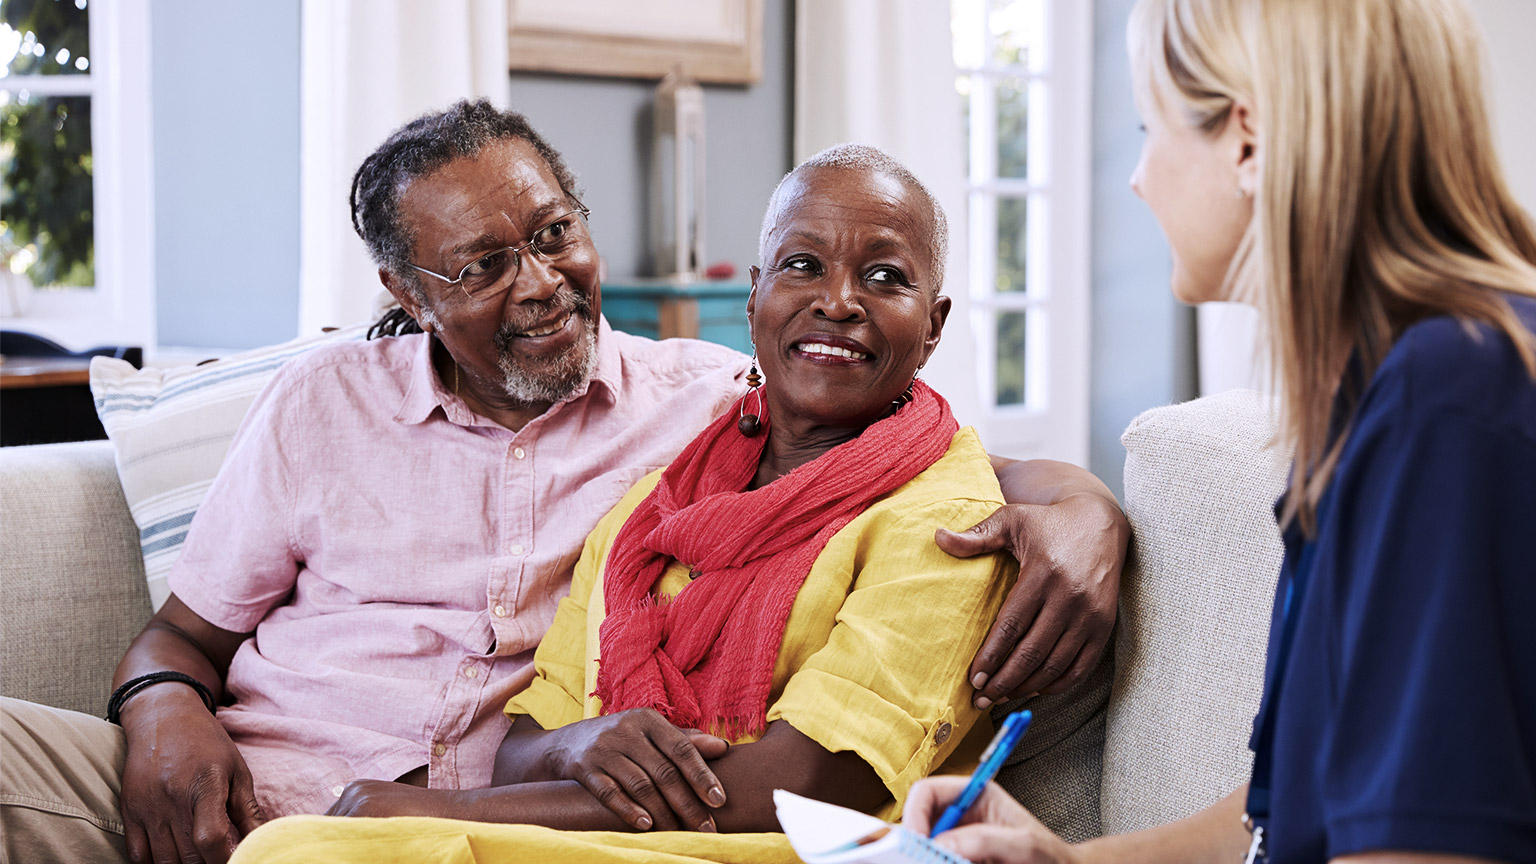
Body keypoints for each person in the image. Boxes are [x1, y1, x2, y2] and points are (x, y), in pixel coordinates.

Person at [0, 102, 1129, 864]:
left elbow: (907, 453)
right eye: (486, 267)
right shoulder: (321, 404)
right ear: (406, 288)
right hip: (243, 782)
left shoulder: (704, 408)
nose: (542, 284)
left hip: (471, 828)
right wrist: (161, 715)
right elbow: (180, 638)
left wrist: (1085, 504)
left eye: (555, 235)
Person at [225, 143, 1046, 863]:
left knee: (314, 851)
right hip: (596, 841)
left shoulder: (947, 517)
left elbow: (791, 786)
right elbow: (520, 748)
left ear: (933, 326)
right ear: (755, 296)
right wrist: (575, 743)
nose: (837, 301)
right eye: (802, 265)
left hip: (769, 850)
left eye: (885, 277)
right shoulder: (661, 501)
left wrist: (446, 810)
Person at [902, 0, 1536, 862]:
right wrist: (1058, 859)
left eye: (1147, 125)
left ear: (1247, 140)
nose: (1138, 177)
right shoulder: (1376, 402)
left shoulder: (1446, 401)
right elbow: (1277, 816)